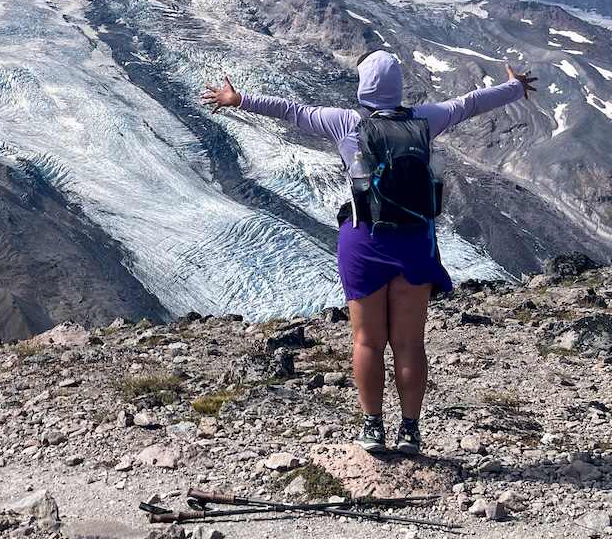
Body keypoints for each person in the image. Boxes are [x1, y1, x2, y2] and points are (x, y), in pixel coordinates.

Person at [201, 50, 537, 455]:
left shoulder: (346, 123)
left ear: (362, 87)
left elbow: (291, 110)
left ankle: (372, 427)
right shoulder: (426, 119)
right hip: (415, 239)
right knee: (410, 344)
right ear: (398, 86)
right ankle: (410, 431)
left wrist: (238, 100)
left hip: (363, 240)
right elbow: (471, 103)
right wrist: (515, 87)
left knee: (367, 342)